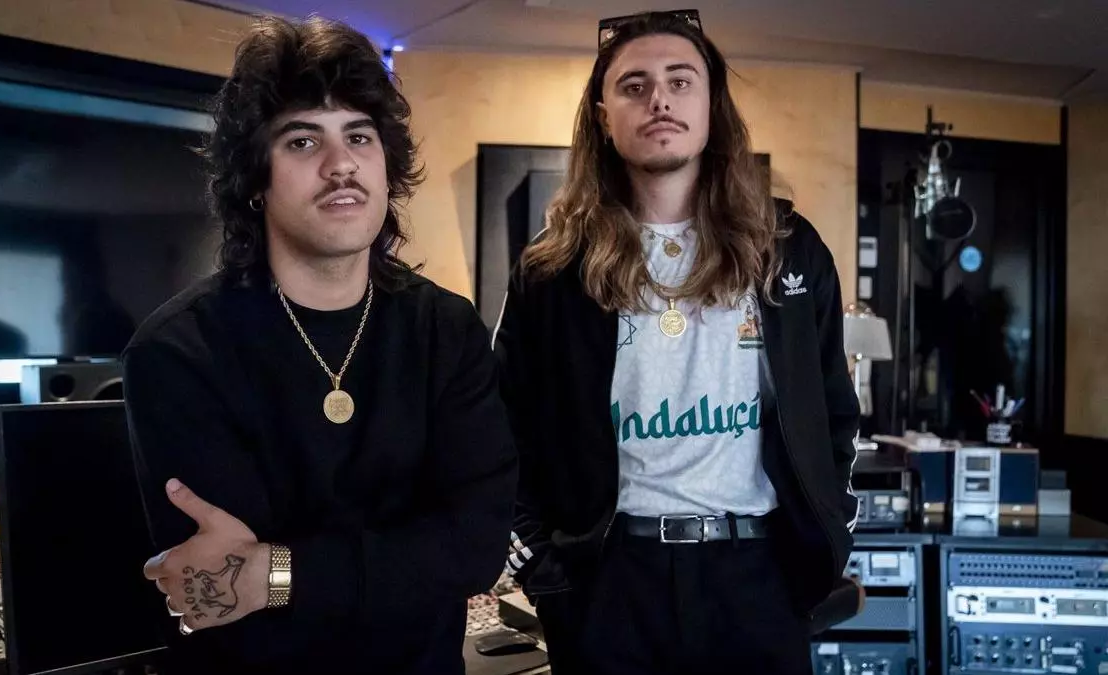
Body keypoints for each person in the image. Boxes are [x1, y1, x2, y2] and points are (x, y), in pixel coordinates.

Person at [124, 16, 517, 675]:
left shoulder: (447, 330)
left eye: (359, 136)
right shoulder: (178, 353)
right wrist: (403, 560)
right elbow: (221, 584)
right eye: (303, 140)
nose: (341, 165)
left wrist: (278, 572)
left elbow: (475, 548)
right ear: (255, 179)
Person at [494, 10, 859, 675]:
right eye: (634, 86)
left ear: (712, 105)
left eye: (680, 81)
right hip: (609, 585)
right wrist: (543, 572)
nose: (658, 99)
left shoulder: (789, 248)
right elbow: (502, 431)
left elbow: (835, 410)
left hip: (757, 579)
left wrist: (829, 534)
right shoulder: (551, 270)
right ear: (603, 117)